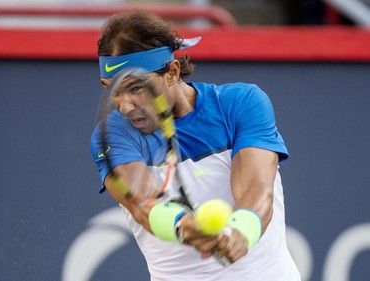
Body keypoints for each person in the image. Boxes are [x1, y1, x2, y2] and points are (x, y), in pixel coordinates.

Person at [90, 10, 300, 281]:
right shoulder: (113, 134)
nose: (124, 106)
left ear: (172, 72)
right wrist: (180, 225)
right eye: (112, 89)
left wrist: (240, 231)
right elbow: (142, 203)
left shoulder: (241, 103)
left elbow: (255, 188)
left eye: (134, 88)